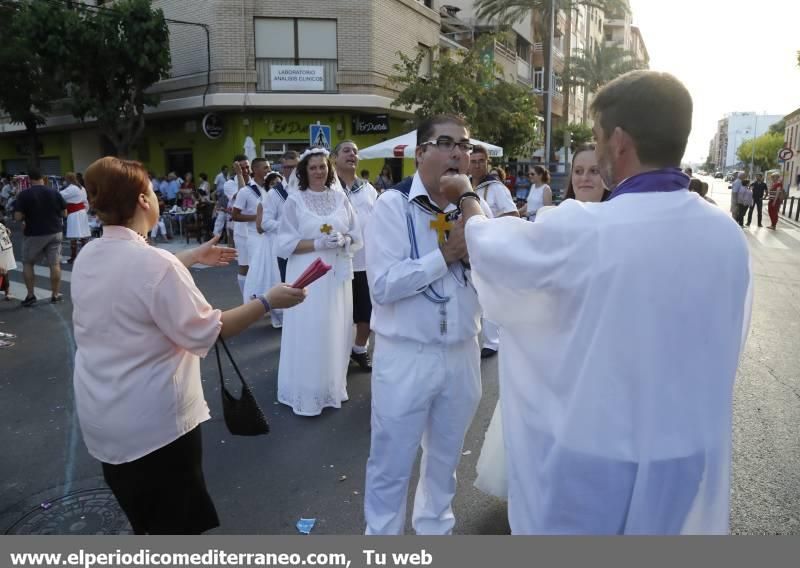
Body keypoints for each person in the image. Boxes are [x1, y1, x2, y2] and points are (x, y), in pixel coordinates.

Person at [444, 70, 752, 534]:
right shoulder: (726, 233)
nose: (597, 147)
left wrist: (467, 196)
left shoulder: (590, 229)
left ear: (620, 140)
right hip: (682, 452)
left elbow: (494, 248)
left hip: (599, 454)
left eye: (597, 137)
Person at [71, 156, 306, 535]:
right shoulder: (154, 265)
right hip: (155, 429)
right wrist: (268, 301)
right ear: (145, 201)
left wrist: (192, 257)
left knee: (146, 521)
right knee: (178, 528)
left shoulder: (90, 255)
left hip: (104, 422)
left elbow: (138, 279)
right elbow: (210, 329)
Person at [363, 114, 491, 535]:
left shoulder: (475, 208)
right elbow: (382, 285)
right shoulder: (392, 205)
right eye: (447, 143)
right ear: (421, 153)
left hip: (461, 352)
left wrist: (473, 246)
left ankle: (435, 534)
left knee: (444, 463)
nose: (459, 153)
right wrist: (446, 255)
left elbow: (498, 278)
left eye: (466, 145)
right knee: (391, 464)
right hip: (406, 355)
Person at [474, 143, 607, 500]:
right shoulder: (557, 216)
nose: (584, 177)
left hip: (597, 340)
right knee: (546, 419)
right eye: (578, 170)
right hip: (553, 334)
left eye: (594, 170)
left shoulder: (619, 220)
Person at [275, 147, 361, 416]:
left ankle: (332, 385)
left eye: (322, 167)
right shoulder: (295, 201)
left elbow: (356, 233)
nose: (318, 172)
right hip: (308, 273)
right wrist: (318, 243)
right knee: (309, 327)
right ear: (304, 171)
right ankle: (307, 390)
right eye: (313, 167)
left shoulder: (340, 198)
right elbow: (284, 244)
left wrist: (345, 240)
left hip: (336, 275)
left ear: (329, 169)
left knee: (334, 326)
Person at [333, 140, 379, 372]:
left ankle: (359, 349)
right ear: (335, 158)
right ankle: (337, 354)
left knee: (367, 312)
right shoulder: (327, 189)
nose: (352, 154)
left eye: (355, 151)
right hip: (337, 262)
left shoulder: (368, 189)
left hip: (365, 262)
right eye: (346, 150)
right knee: (339, 313)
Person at [469, 145, 517, 360]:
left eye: (481, 161)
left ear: (487, 163)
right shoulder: (465, 185)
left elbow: (513, 214)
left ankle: (492, 341)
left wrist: (491, 228)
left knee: (488, 295)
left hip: (491, 248)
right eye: (473, 160)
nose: (477, 165)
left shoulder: (496, 188)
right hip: (469, 249)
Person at [13, 168, 67, 306]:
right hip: (55, 231)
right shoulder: (54, 192)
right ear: (43, 178)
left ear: (29, 179)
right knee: (54, 264)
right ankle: (55, 294)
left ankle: (31, 295)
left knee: (28, 263)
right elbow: (64, 213)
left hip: (34, 233)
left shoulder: (24, 195)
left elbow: (18, 216)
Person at [243, 172, 283, 310]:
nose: (275, 186)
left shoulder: (286, 199)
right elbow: (259, 228)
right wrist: (276, 225)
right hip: (270, 242)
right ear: (267, 187)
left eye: (278, 183)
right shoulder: (263, 202)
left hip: (283, 241)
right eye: (272, 184)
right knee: (270, 273)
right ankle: (271, 305)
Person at [224, 155, 253, 296]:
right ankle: (246, 299)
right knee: (245, 266)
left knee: (258, 266)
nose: (246, 170)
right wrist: (240, 175)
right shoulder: (229, 184)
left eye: (247, 166)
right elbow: (242, 194)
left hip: (257, 231)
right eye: (242, 168)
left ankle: (257, 297)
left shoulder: (256, 182)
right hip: (242, 231)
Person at [274, 150, 299, 284]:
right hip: (286, 248)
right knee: (289, 287)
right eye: (287, 167)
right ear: (282, 168)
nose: (291, 170)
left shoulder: (307, 189)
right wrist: (287, 225)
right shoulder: (275, 192)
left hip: (304, 247)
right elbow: (264, 223)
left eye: (295, 166)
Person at [60, 172, 91, 263]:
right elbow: (85, 202)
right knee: (83, 236)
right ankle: (86, 256)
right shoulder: (82, 188)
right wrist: (84, 211)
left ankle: (73, 257)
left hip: (74, 214)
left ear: (68, 180)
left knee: (73, 236)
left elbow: (59, 195)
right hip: (82, 213)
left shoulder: (71, 188)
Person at [0, 220, 15, 301]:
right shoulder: (1, 225)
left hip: (3, 250)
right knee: (4, 271)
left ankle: (8, 292)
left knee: (3, 271)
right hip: (5, 249)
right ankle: (8, 292)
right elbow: (8, 233)